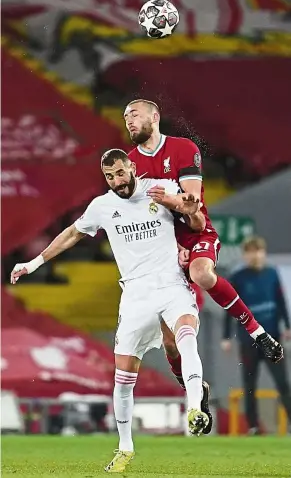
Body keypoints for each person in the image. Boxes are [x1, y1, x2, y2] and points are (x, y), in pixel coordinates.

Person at [11, 149, 209, 473]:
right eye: (110, 177)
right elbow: (73, 233)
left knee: (185, 336)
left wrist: (191, 211)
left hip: (172, 283)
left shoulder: (161, 188)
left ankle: (195, 409)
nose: (117, 181)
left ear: (132, 167)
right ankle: (125, 447)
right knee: (123, 378)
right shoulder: (102, 206)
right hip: (134, 294)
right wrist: (33, 263)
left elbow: (197, 221)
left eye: (120, 172)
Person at [125, 99, 284, 403]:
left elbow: (194, 212)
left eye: (134, 114)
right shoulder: (130, 165)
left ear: (155, 116)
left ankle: (257, 332)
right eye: (125, 117)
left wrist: (174, 206)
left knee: (201, 272)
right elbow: (141, 222)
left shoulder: (184, 149)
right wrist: (169, 249)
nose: (129, 120)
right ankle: (194, 389)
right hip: (161, 249)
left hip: (197, 234)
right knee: (169, 342)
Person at [221, 236, 291, 434]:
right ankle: (253, 426)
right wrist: (226, 337)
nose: (255, 256)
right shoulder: (238, 278)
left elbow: (280, 302)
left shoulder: (272, 274)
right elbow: (230, 307)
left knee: (283, 383)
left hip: (272, 338)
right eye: (251, 252)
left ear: (263, 253)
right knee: (249, 385)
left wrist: (287, 325)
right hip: (248, 340)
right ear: (245, 255)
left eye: (258, 251)